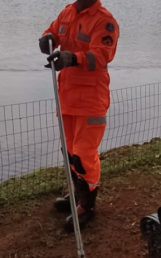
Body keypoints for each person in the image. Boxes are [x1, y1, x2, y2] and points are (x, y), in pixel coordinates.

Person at [39, 0, 119, 232]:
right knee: (69, 151)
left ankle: (88, 206)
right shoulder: (67, 12)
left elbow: (103, 55)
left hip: (92, 102)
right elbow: (52, 32)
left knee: (83, 157)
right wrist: (46, 40)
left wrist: (73, 58)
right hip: (66, 99)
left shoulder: (105, 21)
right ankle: (77, 193)